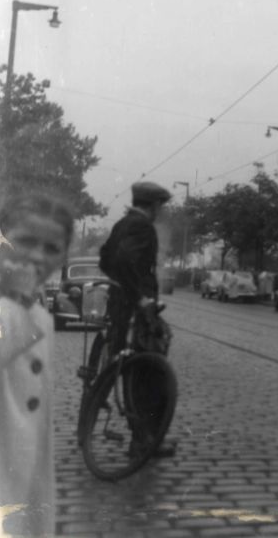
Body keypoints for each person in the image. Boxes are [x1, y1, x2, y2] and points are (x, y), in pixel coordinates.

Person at [0, 192, 74, 537]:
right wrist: (13, 296)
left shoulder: (40, 316)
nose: (36, 256)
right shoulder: (15, 308)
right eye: (25, 241)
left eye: (51, 248)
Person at [99, 181, 176, 457]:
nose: (161, 211)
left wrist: (121, 287)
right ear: (153, 205)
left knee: (135, 372)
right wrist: (139, 296)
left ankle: (142, 437)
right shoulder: (142, 226)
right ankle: (145, 440)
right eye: (160, 206)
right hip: (136, 312)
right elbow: (121, 260)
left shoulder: (123, 224)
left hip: (122, 309)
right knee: (150, 373)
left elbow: (105, 259)